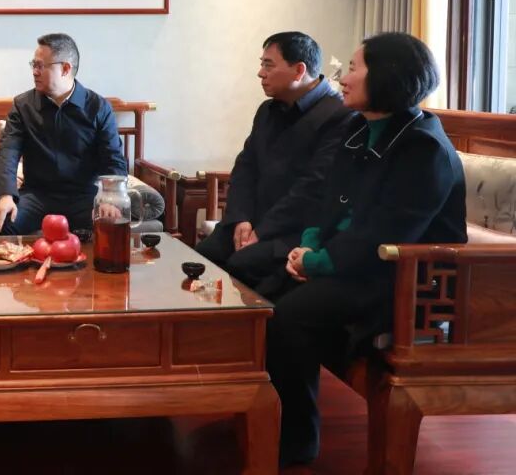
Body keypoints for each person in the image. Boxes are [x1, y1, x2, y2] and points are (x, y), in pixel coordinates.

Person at [268, 32, 467, 467]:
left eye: (354, 68)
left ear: (386, 76)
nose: (342, 77)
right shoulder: (358, 127)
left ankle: (299, 438)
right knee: (265, 290)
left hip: (405, 279)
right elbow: (330, 203)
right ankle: (277, 421)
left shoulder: (423, 146)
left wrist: (318, 262)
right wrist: (308, 246)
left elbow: (388, 231)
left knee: (291, 314)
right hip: (358, 262)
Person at [196, 32, 351, 291]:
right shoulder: (267, 110)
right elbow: (245, 168)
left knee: (241, 265)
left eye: (268, 65)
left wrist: (263, 231)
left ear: (299, 70)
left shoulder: (339, 116)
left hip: (296, 231)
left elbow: (312, 188)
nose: (260, 73)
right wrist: (241, 218)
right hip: (251, 222)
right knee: (199, 259)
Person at [0, 33, 128, 235]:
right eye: (33, 65)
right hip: (37, 196)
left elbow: (113, 157)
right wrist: (5, 197)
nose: (34, 72)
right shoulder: (23, 106)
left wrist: (110, 198)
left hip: (83, 196)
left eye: (40, 66)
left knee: (111, 223)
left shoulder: (98, 107)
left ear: (65, 69)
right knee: (3, 223)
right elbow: (8, 152)